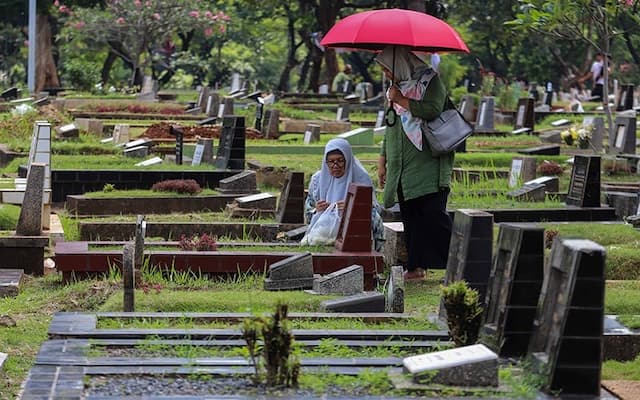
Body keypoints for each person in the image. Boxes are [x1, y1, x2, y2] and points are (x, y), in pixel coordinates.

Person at [375, 46, 454, 281]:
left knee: (433, 214)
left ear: (399, 64)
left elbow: (432, 110)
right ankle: (415, 266)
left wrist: (402, 99)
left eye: (387, 69)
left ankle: (461, 259)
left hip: (428, 164)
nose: (386, 74)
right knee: (411, 218)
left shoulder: (431, 82)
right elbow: (392, 126)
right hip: (403, 165)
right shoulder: (396, 89)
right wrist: (383, 160)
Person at [305, 138, 384, 251]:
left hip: (354, 232)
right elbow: (308, 213)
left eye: (340, 160)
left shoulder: (361, 178)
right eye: (331, 162)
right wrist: (317, 210)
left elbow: (376, 214)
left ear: (348, 160)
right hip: (322, 234)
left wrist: (353, 208)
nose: (335, 165)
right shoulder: (318, 180)